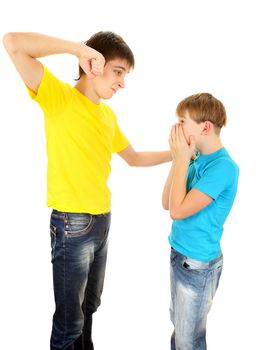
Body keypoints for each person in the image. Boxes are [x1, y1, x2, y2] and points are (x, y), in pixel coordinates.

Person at [3, 31, 171, 350]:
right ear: (94, 64)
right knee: (69, 324)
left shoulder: (107, 115)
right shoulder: (59, 98)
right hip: (72, 225)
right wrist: (77, 49)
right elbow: (12, 42)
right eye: (118, 72)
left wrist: (176, 154)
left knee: (89, 307)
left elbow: (133, 158)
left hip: (102, 222)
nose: (122, 83)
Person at [162, 93, 239, 350]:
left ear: (205, 127)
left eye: (183, 121)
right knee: (180, 330)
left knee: (188, 341)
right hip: (179, 255)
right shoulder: (195, 159)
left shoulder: (224, 168)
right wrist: (179, 159)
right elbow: (166, 201)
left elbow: (178, 210)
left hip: (197, 265)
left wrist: (183, 158)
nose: (177, 127)